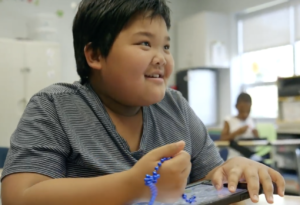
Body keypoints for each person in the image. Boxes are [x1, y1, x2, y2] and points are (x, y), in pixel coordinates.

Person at [1, 1, 284, 205]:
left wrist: (235, 167)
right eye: (145, 44)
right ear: (96, 55)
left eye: (166, 46)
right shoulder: (54, 106)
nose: (161, 57)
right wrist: (133, 185)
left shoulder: (176, 107)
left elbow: (211, 177)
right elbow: (18, 195)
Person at [221, 93, 261, 160]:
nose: (245, 114)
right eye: (242, 111)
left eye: (248, 111)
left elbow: (257, 142)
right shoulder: (229, 120)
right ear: (236, 106)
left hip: (251, 158)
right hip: (235, 158)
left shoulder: (251, 120)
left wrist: (256, 135)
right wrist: (237, 132)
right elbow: (222, 140)